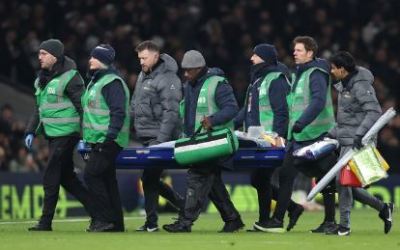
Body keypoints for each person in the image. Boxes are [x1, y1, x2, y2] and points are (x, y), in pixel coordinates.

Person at [257, 36, 338, 233]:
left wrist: (301, 123)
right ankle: (279, 220)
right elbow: (294, 106)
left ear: (310, 53)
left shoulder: (316, 73)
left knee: (325, 179)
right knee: (287, 175)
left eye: (299, 50)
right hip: (299, 136)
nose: (294, 53)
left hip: (317, 134)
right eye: (294, 50)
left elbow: (318, 101)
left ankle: (330, 221)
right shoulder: (299, 74)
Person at [163, 50, 244, 233]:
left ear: (199, 68)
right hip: (198, 142)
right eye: (184, 70)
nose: (185, 74)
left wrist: (213, 120)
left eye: (189, 71)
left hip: (215, 142)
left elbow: (232, 108)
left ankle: (185, 222)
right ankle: (233, 219)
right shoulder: (190, 85)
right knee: (212, 182)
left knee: (197, 176)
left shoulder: (218, 84)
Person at [233, 43, 304, 232]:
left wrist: (279, 137)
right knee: (259, 179)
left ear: (263, 58)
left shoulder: (276, 79)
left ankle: (269, 218)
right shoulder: (257, 81)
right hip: (257, 139)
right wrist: (231, 125)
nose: (251, 59)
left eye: (255, 56)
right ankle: (289, 209)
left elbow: (282, 112)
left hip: (271, 139)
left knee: (260, 178)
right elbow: (246, 110)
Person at [24, 39, 93, 231]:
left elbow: (83, 108)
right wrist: (30, 131)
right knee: (67, 179)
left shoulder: (71, 77)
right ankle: (99, 212)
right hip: (52, 135)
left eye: (43, 54)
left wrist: (85, 134)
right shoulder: (41, 79)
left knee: (50, 175)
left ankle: (45, 222)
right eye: (39, 54)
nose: (39, 57)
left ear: (54, 56)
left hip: (67, 135)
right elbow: (39, 109)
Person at [328, 51, 393, 236]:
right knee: (345, 184)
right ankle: (383, 208)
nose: (331, 71)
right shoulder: (345, 86)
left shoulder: (360, 85)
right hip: (348, 140)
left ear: (342, 69)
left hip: (358, 142)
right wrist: (330, 134)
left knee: (343, 183)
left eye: (333, 68)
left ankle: (344, 227)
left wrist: (359, 136)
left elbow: (374, 112)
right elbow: (346, 120)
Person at [131, 40, 185, 232]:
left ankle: (152, 222)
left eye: (144, 58)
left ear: (156, 56)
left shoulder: (168, 78)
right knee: (149, 178)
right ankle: (182, 207)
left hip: (159, 137)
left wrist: (161, 142)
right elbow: (136, 103)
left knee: (149, 177)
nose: (141, 62)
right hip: (146, 135)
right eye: (139, 59)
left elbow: (171, 113)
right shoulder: (143, 75)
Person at [82, 44, 130, 232]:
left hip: (108, 140)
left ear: (102, 61)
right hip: (100, 138)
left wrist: (110, 136)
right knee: (108, 180)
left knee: (91, 175)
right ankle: (116, 223)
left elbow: (118, 112)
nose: (90, 60)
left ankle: (104, 219)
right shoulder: (97, 81)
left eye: (94, 57)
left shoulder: (111, 82)